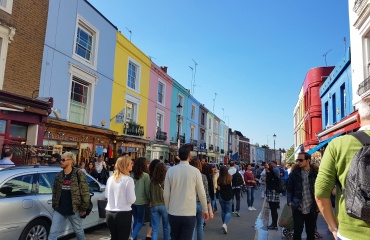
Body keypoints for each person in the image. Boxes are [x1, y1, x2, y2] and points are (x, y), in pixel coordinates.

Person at [315, 96, 370, 240]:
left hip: (350, 233)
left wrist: (333, 227)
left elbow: (320, 193)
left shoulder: (338, 144)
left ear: (357, 117)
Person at [164, 145, 209, 240]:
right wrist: (205, 210)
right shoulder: (195, 171)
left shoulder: (170, 171)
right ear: (189, 156)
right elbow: (202, 193)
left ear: (179, 156)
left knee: (174, 237)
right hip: (189, 213)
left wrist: (168, 208)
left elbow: (166, 194)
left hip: (174, 212)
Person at [48, 152, 90, 240]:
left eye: (63, 160)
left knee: (78, 231)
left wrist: (83, 208)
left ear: (71, 161)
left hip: (73, 209)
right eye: (60, 160)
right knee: (53, 232)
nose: (61, 162)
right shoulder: (59, 175)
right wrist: (55, 205)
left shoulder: (78, 174)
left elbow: (85, 192)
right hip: (60, 209)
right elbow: (55, 192)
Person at [287, 152, 318, 240]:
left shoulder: (316, 173)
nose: (298, 162)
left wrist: (319, 205)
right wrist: (290, 202)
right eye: (297, 160)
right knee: (297, 232)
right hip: (298, 207)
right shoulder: (294, 173)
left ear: (308, 161)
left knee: (311, 233)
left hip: (312, 208)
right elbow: (289, 189)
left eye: (301, 160)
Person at [105, 155, 136, 240]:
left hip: (110, 212)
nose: (132, 165)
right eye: (131, 163)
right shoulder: (128, 180)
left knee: (114, 237)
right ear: (125, 165)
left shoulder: (110, 179)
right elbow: (131, 199)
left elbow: (106, 195)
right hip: (123, 213)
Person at [190, 158, 213, 240]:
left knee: (191, 227)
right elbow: (206, 194)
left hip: (191, 204)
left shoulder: (189, 176)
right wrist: (210, 210)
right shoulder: (203, 177)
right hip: (201, 204)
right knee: (200, 226)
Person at [130, 157, 151, 240]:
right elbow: (147, 190)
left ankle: (134, 237)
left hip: (132, 201)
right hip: (141, 201)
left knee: (135, 220)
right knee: (140, 221)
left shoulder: (131, 175)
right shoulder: (145, 176)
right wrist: (149, 200)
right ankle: (132, 237)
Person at [150, 162, 170, 240]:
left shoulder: (152, 180)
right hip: (165, 205)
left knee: (155, 228)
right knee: (166, 227)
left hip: (154, 205)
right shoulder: (167, 180)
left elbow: (150, 192)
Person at [146, 159, 161, 240]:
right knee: (157, 221)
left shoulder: (149, 175)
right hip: (158, 201)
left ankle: (149, 234)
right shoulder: (160, 176)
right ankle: (148, 234)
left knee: (153, 220)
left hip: (152, 201)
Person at [217, 165, 233, 234]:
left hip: (221, 195)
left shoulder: (219, 178)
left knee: (223, 210)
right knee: (228, 212)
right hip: (229, 195)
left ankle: (224, 224)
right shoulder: (230, 177)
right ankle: (225, 224)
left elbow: (218, 187)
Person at [265, 163, 280, 230]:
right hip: (272, 194)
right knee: (273, 210)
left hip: (272, 194)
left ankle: (274, 224)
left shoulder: (271, 175)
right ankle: (274, 224)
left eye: (267, 169)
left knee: (273, 210)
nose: (266, 170)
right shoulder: (271, 175)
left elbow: (270, 184)